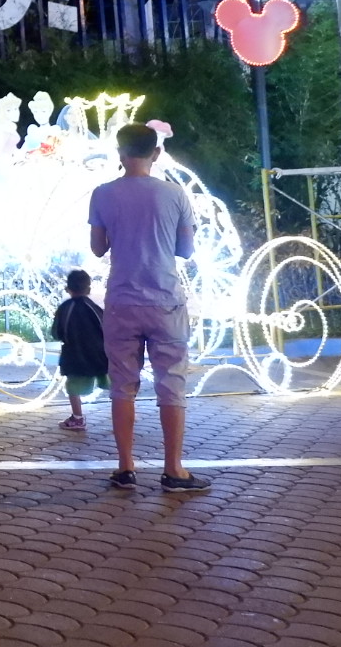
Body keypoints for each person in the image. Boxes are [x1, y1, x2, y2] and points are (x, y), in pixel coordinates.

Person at [90, 123, 208, 492]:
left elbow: (97, 248)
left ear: (119, 152)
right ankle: (174, 470)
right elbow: (185, 250)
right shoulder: (175, 193)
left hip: (122, 300)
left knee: (122, 386)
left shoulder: (102, 193)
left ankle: (125, 467)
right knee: (171, 384)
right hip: (165, 300)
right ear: (156, 153)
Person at [52, 269, 108, 431]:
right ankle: (123, 412)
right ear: (88, 289)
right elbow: (106, 328)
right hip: (100, 355)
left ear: (67, 289)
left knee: (73, 387)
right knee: (113, 384)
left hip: (75, 356)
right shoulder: (94, 308)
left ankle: (77, 417)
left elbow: (57, 333)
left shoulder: (65, 308)